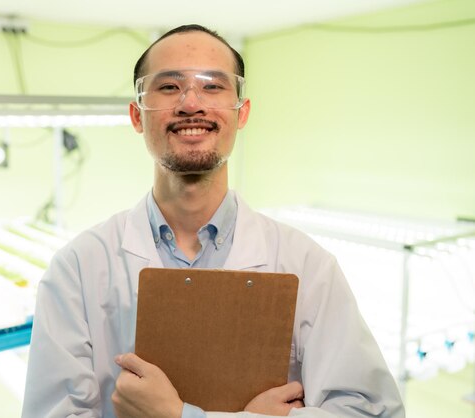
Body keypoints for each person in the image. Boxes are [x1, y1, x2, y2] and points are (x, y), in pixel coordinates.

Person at [22, 24, 405, 418]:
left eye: (213, 86)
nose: (191, 104)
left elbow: (373, 411)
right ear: (137, 115)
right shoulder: (78, 269)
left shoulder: (306, 265)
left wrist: (179, 416)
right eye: (169, 87)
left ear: (242, 113)